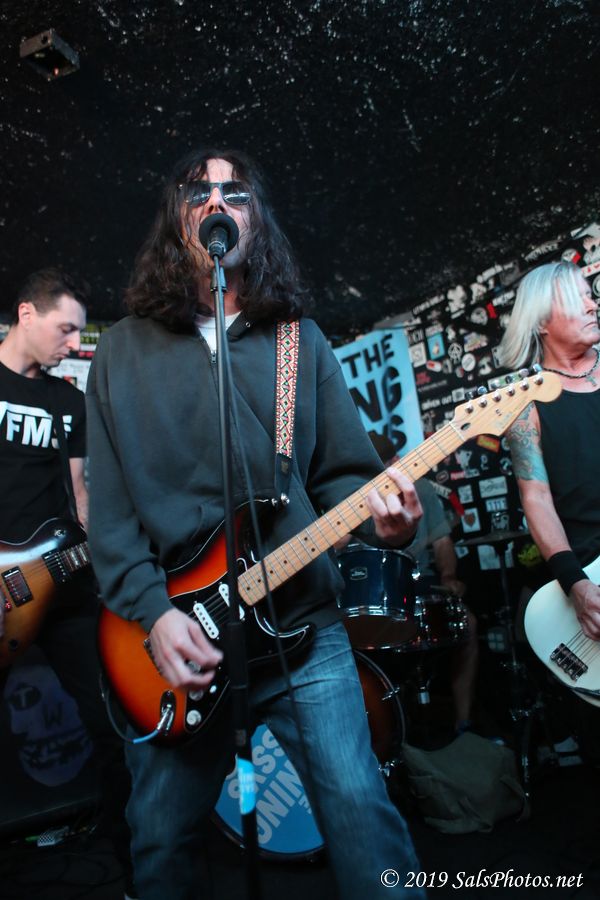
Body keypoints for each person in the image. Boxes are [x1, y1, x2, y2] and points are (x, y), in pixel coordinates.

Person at [85, 148, 426, 900]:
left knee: (363, 820)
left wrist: (391, 526)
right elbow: (109, 518)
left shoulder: (299, 340)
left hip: (304, 628)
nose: (217, 202)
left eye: (235, 192)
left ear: (256, 219)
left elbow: (343, 475)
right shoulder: (119, 352)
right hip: (179, 639)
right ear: (177, 220)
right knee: (161, 842)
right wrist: (153, 614)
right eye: (198, 192)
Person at [0, 268, 133, 898]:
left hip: (64, 585)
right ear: (27, 314)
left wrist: (108, 545)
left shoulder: (67, 402)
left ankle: (134, 868)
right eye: (66, 329)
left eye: (81, 332)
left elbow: (80, 498)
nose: (75, 343)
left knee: (113, 722)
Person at [499, 260, 600, 640]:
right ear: (541, 321)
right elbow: (536, 496)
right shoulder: (526, 403)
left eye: (590, 296)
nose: (592, 305)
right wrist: (576, 582)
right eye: (577, 299)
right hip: (589, 570)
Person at [368, 432, 479, 733]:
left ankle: (463, 721)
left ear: (396, 461)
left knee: (468, 625)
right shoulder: (357, 497)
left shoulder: (421, 488)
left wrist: (448, 576)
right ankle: (389, 733)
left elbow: (442, 541)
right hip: (378, 591)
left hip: (421, 582)